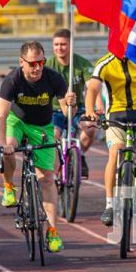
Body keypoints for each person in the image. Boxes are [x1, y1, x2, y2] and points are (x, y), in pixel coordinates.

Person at [0, 41, 74, 253]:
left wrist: (71, 104)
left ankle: (52, 232)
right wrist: (2, 144)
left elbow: (67, 114)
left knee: (47, 178)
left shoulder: (54, 78)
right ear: (22, 62)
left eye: (41, 62)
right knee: (9, 148)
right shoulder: (12, 80)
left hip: (42, 126)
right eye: (32, 63)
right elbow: (1, 115)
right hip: (17, 122)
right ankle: (8, 186)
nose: (37, 67)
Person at [86, 52, 136, 226]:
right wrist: (90, 110)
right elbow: (93, 88)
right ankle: (110, 204)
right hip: (116, 116)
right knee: (115, 152)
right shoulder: (104, 62)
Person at [48, 28, 98, 177]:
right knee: (53, 136)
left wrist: (96, 108)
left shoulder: (82, 63)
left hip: (78, 108)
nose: (59, 48)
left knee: (90, 128)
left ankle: (79, 155)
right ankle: (55, 167)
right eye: (56, 44)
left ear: (70, 45)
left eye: (63, 44)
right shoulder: (48, 65)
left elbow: (92, 87)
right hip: (54, 110)